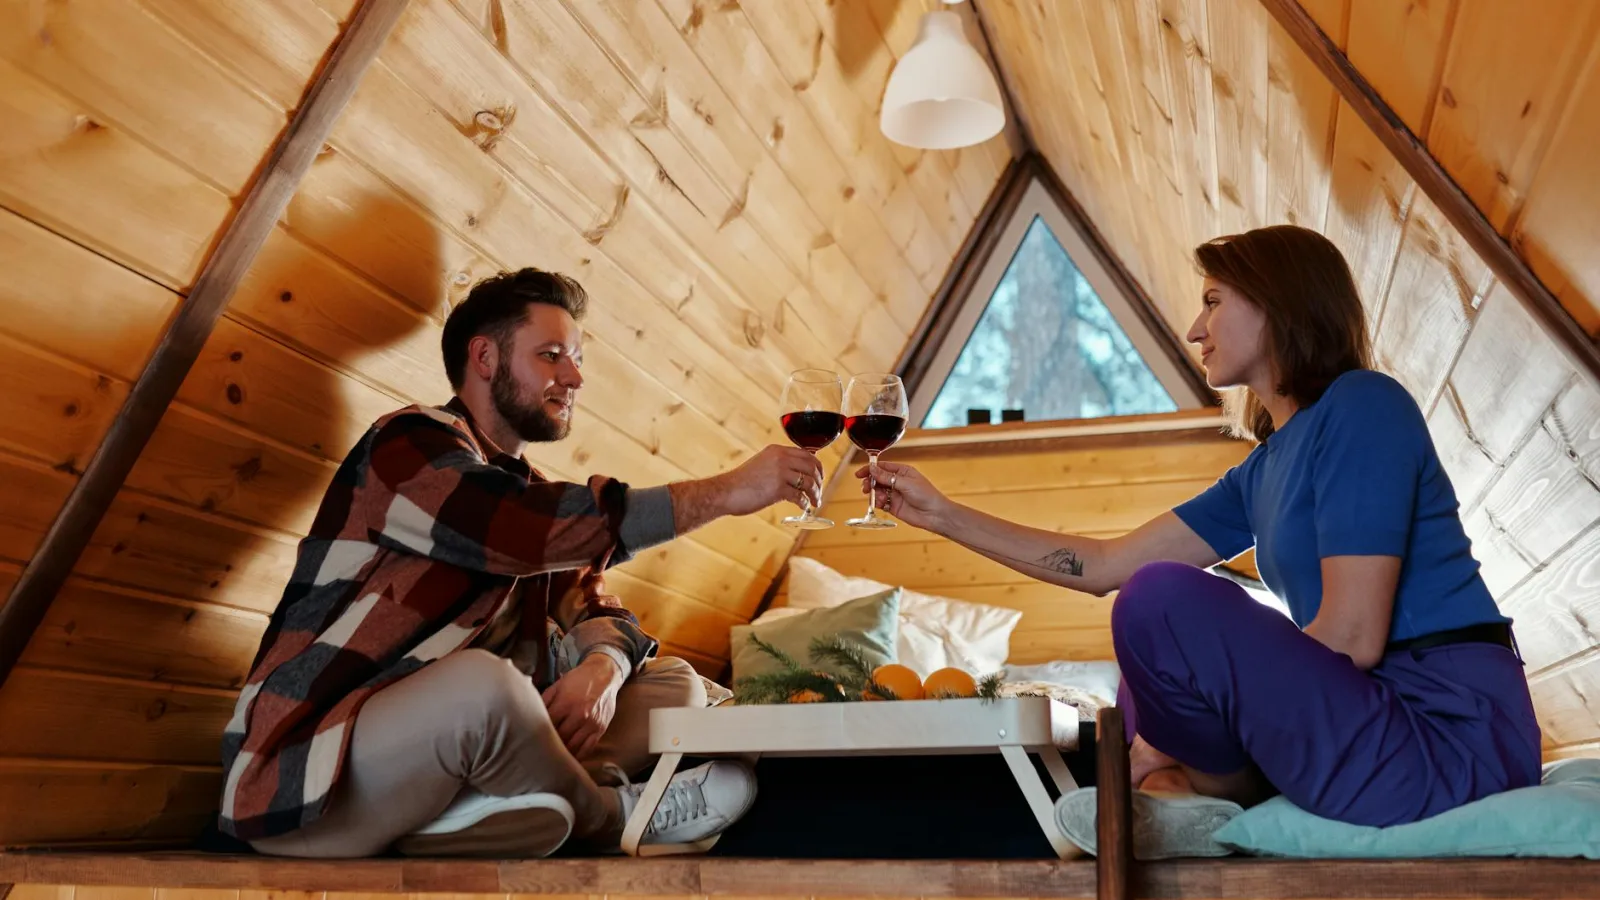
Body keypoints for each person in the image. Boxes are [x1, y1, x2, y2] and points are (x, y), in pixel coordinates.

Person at [859, 226, 1541, 856]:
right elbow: (1104, 567)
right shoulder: (1261, 470)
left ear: (1278, 303)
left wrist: (1168, 731)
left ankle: (1177, 788)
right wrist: (942, 516)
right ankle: (1179, 795)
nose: (1194, 328)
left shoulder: (1364, 405)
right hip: (1363, 722)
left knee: (1163, 603)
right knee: (1143, 655)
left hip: (1444, 741)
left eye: (1212, 301)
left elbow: (1353, 636)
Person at [219, 268, 825, 858]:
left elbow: (593, 598)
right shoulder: (407, 445)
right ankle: (614, 815)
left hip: (432, 766)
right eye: (553, 355)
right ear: (485, 359)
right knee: (483, 687)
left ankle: (463, 816)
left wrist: (604, 668)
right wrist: (726, 493)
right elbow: (521, 528)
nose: (576, 377)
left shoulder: (528, 489)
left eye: (578, 358)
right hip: (313, 772)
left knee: (675, 687)